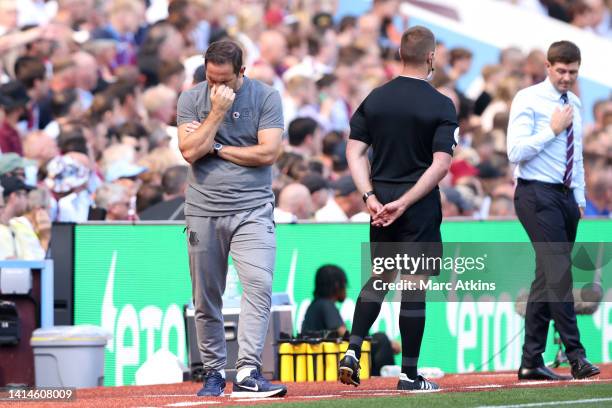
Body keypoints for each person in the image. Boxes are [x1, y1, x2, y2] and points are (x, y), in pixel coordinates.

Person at [338, 26, 457, 391]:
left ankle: (353, 348)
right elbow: (440, 164)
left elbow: (354, 151)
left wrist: (369, 197)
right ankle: (408, 374)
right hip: (416, 206)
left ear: (400, 54)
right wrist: (406, 202)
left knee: (380, 279)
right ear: (431, 56)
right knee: (414, 286)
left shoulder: (376, 98)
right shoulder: (441, 103)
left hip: (381, 204)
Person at [176, 40, 286, 398]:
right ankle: (212, 372)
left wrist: (218, 147)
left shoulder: (266, 97)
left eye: (224, 80)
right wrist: (217, 113)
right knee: (206, 297)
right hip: (203, 210)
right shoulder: (192, 99)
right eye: (211, 79)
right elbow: (191, 152)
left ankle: (249, 369)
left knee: (259, 285)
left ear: (242, 71)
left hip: (253, 208)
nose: (217, 87)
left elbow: (267, 152)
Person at [507, 40, 600, 381]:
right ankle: (576, 355)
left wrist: (579, 196)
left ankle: (531, 359)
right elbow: (515, 151)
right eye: (560, 71)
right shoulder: (528, 99)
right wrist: (552, 129)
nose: (566, 77)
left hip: (564, 199)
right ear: (547, 66)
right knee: (559, 274)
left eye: (572, 72)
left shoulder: (574, 101)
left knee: (546, 279)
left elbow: (575, 157)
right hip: (534, 193)